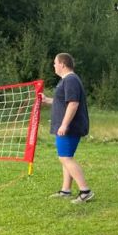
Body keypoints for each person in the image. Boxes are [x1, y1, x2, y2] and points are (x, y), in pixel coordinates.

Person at [41, 53, 94, 203]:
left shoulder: (70, 80)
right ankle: (66, 190)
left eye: (55, 63)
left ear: (63, 64)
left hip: (70, 127)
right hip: (67, 126)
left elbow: (73, 103)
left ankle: (85, 191)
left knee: (65, 158)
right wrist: (47, 100)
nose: (54, 66)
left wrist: (64, 125)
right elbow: (63, 101)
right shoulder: (66, 81)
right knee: (66, 157)